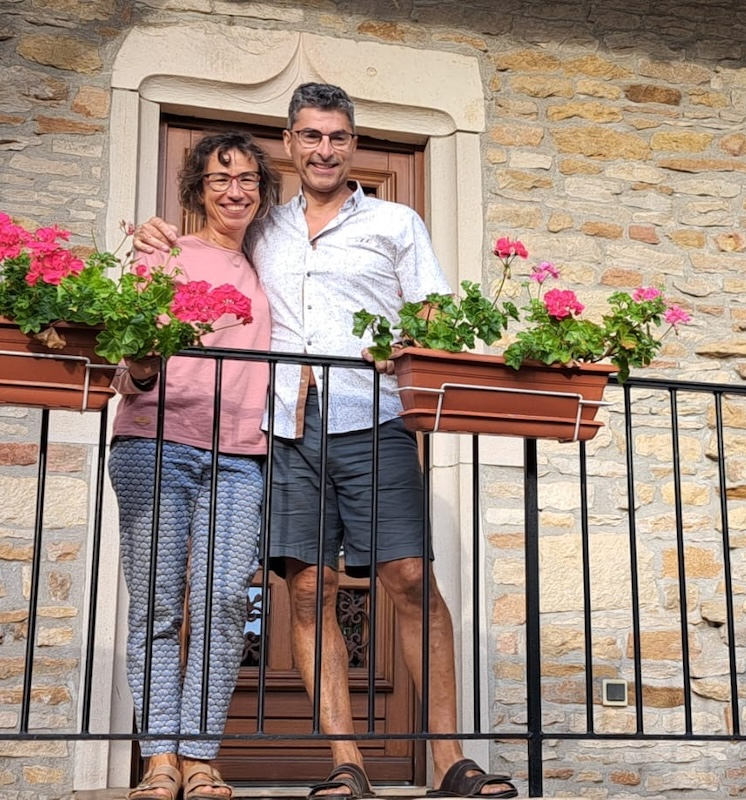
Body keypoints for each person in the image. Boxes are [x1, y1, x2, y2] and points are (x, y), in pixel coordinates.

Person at [134, 84, 517, 800]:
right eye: (310, 136)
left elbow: (432, 316)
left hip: (373, 420)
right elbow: (207, 245)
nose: (324, 149)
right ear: (290, 141)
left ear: (354, 143)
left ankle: (448, 762)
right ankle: (348, 764)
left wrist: (410, 340)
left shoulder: (397, 222)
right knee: (307, 593)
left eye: (338, 137)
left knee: (408, 580)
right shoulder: (265, 226)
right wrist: (156, 233)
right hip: (285, 430)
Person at [110, 131, 280, 800]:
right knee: (156, 604)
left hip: (239, 455)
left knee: (223, 602)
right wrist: (141, 370)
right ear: (196, 190)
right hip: (156, 442)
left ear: (263, 193)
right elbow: (128, 354)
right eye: (218, 178)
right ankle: (159, 758)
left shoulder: (268, 266)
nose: (234, 190)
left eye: (246, 180)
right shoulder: (165, 253)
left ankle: (200, 755)